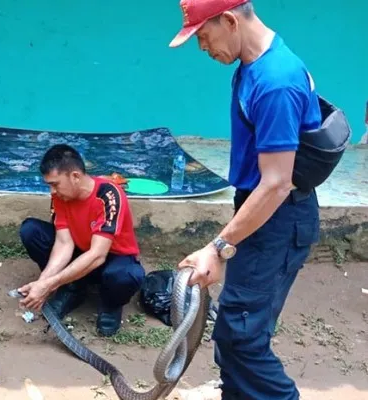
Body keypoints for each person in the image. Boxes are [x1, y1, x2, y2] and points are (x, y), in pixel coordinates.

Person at [169, 1, 321, 399]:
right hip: (260, 213)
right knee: (238, 333)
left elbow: (276, 184)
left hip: (277, 218)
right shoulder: (254, 67)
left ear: (230, 21)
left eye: (203, 36)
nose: (203, 48)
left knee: (242, 339)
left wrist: (217, 248)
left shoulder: (276, 82)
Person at [17, 144, 145, 337]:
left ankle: (111, 305)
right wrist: (42, 282)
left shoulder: (109, 194)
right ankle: (72, 288)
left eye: (55, 184)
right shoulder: (61, 196)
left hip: (109, 258)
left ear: (75, 176)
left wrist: (49, 285)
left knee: (126, 275)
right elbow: (63, 243)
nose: (52, 191)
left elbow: (98, 255)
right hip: (80, 250)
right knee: (31, 231)